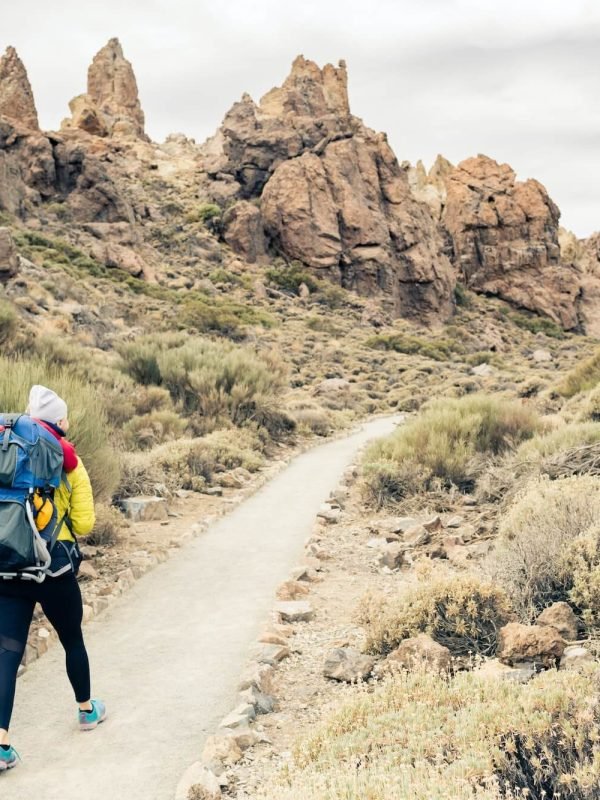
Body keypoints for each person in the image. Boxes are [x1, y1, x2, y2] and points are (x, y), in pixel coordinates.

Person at [0, 386, 106, 772]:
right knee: (72, 638)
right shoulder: (69, 462)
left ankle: (1, 743)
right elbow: (84, 523)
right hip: (54, 566)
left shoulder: (6, 450)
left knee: (6, 654)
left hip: (8, 564)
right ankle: (86, 710)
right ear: (60, 422)